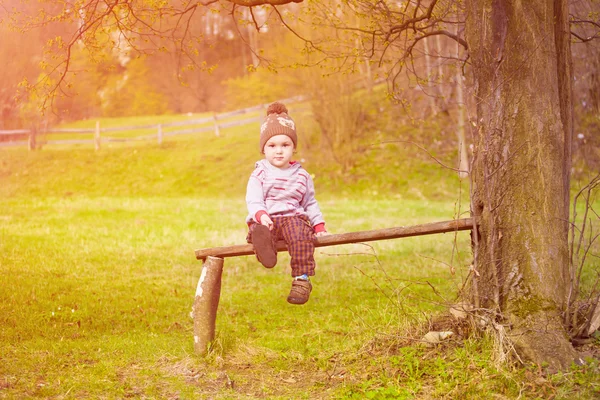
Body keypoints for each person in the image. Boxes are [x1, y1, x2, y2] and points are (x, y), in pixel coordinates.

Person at [245, 102, 327, 305]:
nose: (279, 151)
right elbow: (254, 199)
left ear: (293, 147)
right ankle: (264, 247)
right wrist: (262, 215)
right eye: (272, 146)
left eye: (285, 145)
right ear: (263, 149)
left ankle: (302, 280)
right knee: (260, 230)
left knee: (301, 236)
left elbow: (309, 203)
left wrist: (319, 226)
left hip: (292, 218)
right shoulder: (260, 173)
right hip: (267, 219)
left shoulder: (302, 175)